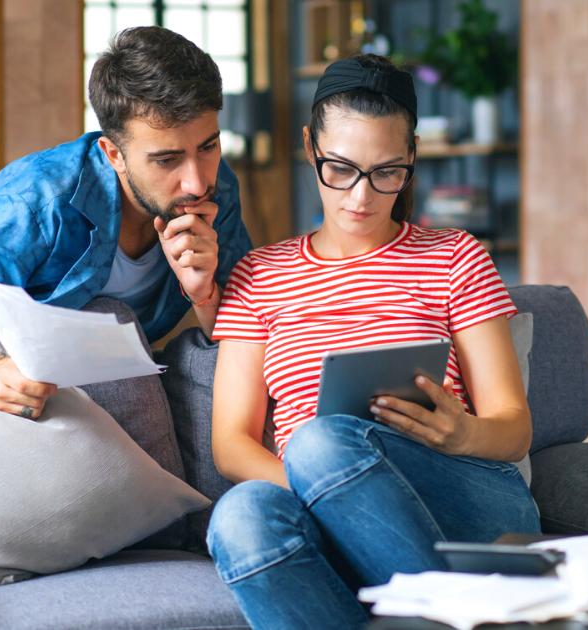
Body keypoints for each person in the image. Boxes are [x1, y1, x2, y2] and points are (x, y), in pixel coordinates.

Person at [205, 54, 540, 629]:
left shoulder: (455, 257)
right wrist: (324, 492)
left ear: (411, 158)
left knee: (318, 442)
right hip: (320, 496)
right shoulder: (259, 275)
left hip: (465, 494)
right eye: (340, 168)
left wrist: (464, 433)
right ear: (311, 146)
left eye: (387, 172)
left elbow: (514, 428)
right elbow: (231, 444)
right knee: (241, 515)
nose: (361, 197)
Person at [0, 26, 253, 418]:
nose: (197, 181)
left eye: (208, 146)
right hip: (20, 390)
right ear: (113, 154)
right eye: (166, 160)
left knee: (219, 364)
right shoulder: (38, 197)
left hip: (128, 379)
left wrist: (204, 294)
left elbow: (247, 332)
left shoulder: (216, 187)